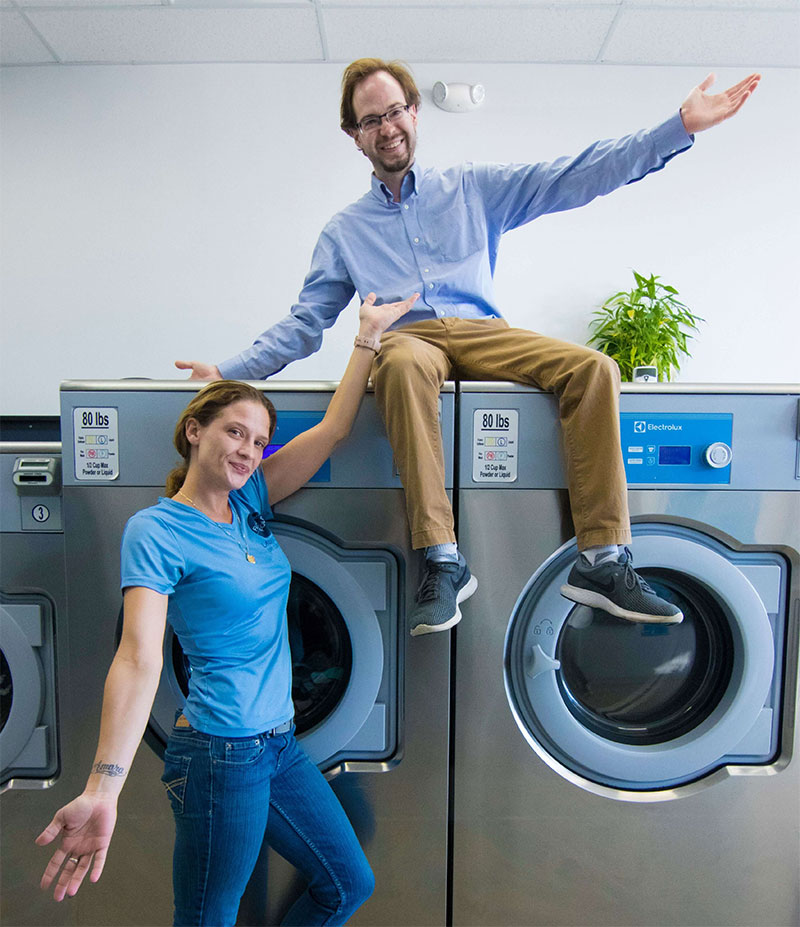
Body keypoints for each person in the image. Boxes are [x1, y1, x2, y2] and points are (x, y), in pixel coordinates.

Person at [175, 59, 760, 637]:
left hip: (486, 333)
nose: (387, 126)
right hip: (410, 339)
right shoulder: (345, 231)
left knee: (595, 368)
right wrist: (228, 372)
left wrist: (678, 127)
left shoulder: (472, 188)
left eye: (395, 110)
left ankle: (603, 561)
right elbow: (307, 322)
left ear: (415, 112)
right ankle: (442, 558)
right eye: (370, 119)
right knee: (398, 364)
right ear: (354, 136)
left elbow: (573, 176)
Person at [36, 292, 418, 926]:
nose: (247, 450)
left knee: (348, 883)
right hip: (220, 752)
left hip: (278, 744)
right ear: (195, 431)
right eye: (234, 431)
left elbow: (333, 430)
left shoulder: (252, 503)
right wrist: (103, 788)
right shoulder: (155, 531)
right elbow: (137, 658)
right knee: (209, 918)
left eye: (259, 440)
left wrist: (367, 335)